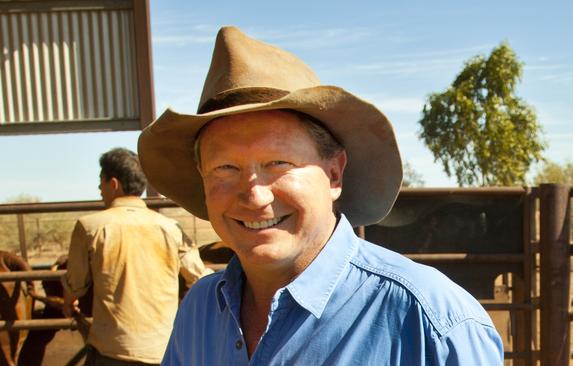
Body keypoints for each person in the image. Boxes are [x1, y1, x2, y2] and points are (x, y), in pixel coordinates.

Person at [138, 26, 504, 365]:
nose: (254, 194)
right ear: (203, 179)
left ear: (333, 174)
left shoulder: (430, 322)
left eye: (278, 163)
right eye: (225, 169)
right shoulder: (200, 310)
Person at [62, 148, 212, 365]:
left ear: (113, 184)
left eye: (101, 181)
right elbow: (200, 277)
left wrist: (69, 303)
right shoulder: (171, 228)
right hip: (165, 348)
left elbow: (75, 284)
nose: (99, 189)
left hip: (112, 349)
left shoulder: (89, 227)